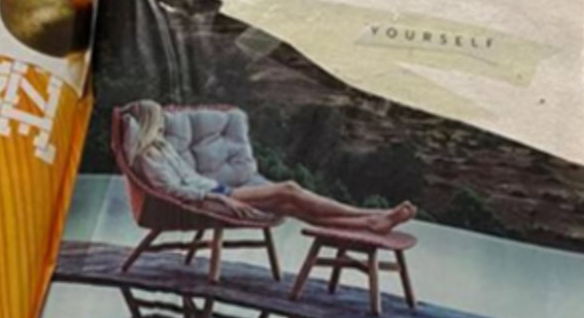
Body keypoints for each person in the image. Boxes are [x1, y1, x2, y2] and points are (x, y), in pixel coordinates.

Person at [123, 99, 417, 235]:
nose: (163, 125)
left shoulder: (162, 148)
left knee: (291, 206)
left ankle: (369, 223)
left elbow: (187, 178)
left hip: (215, 190)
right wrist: (220, 198)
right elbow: (171, 190)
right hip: (216, 195)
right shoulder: (149, 155)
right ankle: (369, 214)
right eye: (158, 121)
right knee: (289, 189)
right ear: (148, 123)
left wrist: (215, 191)